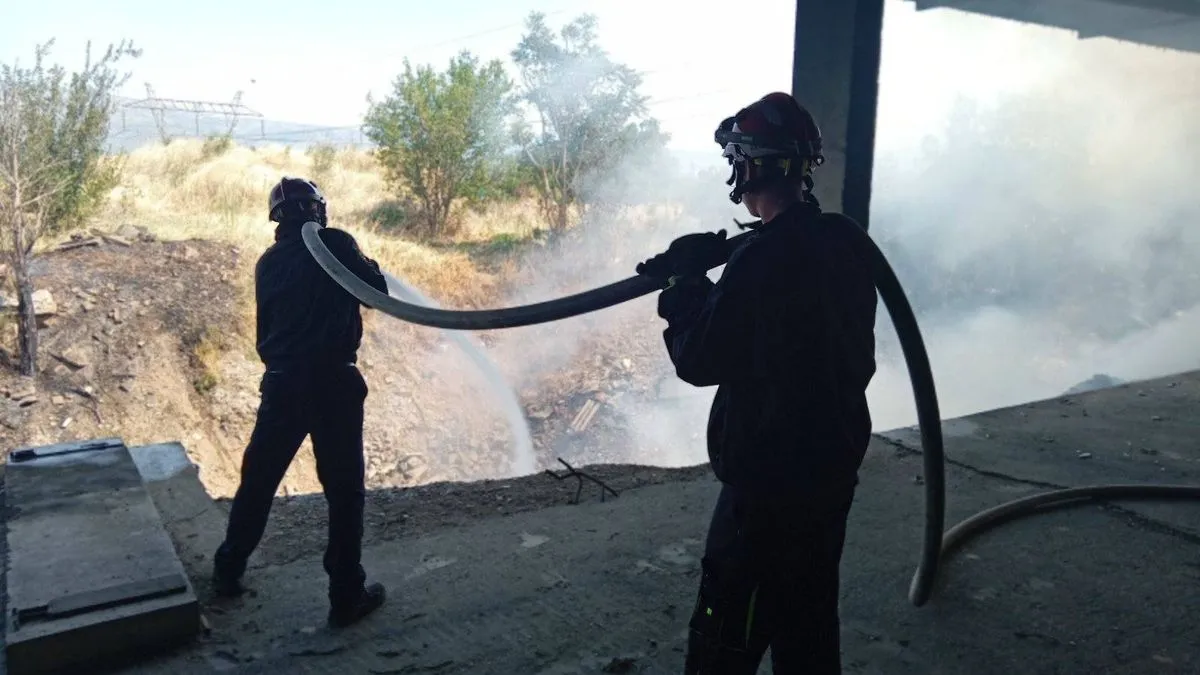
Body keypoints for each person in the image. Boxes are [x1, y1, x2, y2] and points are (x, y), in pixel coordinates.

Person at [636, 92, 878, 673]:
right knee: (808, 621)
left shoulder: (761, 263)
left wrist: (684, 287)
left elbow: (698, 358)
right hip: (829, 471)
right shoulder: (843, 241)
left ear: (747, 166)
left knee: (727, 628)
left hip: (769, 488)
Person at [212, 176, 390, 628]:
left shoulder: (267, 262)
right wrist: (357, 254)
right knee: (344, 491)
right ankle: (346, 595)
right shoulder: (334, 242)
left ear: (276, 218)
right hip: (333, 383)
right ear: (317, 210)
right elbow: (378, 292)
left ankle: (227, 570)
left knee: (258, 481)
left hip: (282, 384)